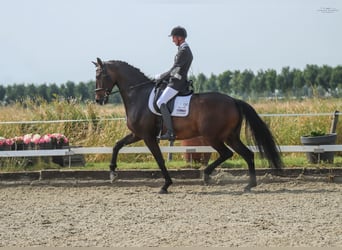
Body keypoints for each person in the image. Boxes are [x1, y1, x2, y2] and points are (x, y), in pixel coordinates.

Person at [155, 26, 193, 141]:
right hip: (175, 81)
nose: (172, 40)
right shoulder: (183, 50)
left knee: (161, 101)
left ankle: (170, 132)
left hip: (177, 83)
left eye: (174, 38)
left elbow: (175, 70)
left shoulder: (184, 51)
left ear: (180, 38)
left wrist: (160, 77)